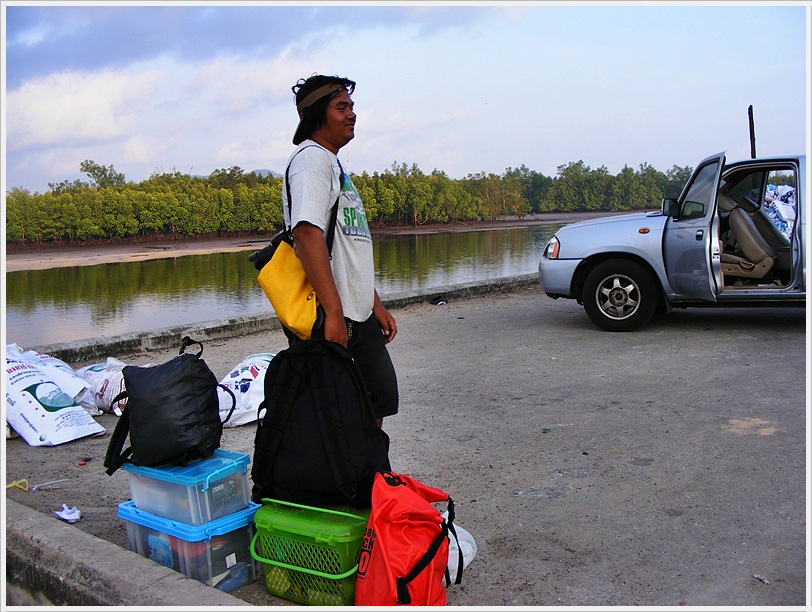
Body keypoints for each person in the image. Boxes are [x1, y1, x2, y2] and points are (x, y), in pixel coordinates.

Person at [282, 74, 398, 427]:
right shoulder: (311, 161)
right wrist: (334, 313)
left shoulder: (331, 163)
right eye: (341, 107)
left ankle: (371, 479)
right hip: (333, 316)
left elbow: (347, 246)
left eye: (352, 107)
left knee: (372, 407)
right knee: (345, 419)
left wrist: (373, 303)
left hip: (355, 313)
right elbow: (306, 234)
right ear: (318, 116)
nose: (352, 114)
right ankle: (358, 481)